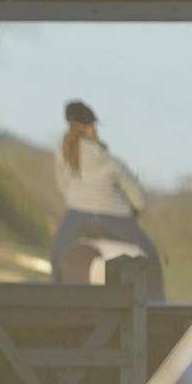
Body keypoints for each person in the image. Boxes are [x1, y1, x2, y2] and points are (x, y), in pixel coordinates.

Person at [51, 100, 165, 299]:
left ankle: (53, 302)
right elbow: (139, 201)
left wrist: (79, 200)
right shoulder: (111, 162)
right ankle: (157, 307)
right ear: (91, 127)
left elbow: (63, 187)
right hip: (116, 218)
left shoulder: (63, 154)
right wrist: (133, 212)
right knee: (151, 257)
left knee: (57, 256)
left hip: (75, 216)